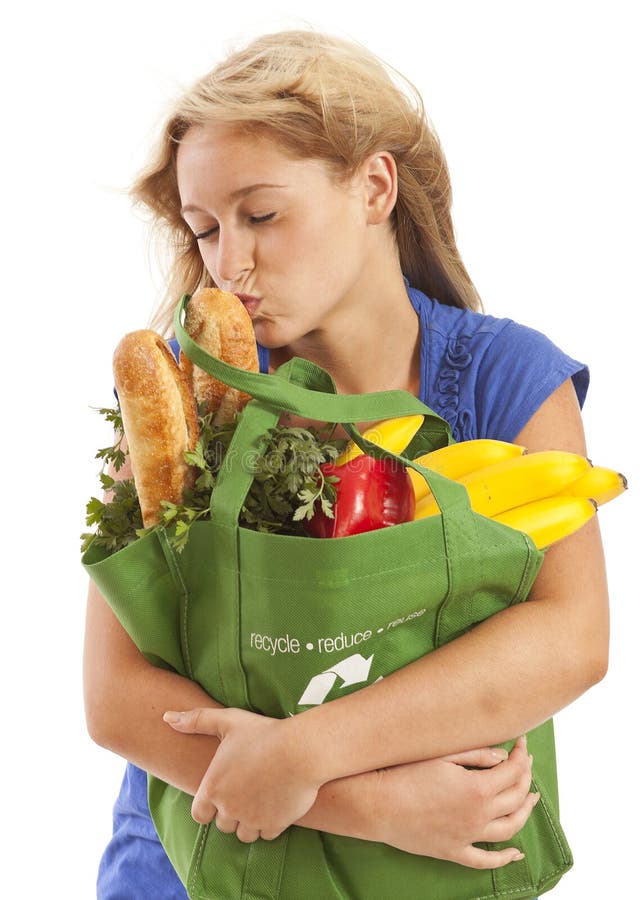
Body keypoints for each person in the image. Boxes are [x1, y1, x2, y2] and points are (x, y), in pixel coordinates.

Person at [83, 29, 609, 899]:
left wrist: (307, 753)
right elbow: (115, 697)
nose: (229, 263)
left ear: (372, 187)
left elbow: (569, 639)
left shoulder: (498, 379)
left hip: (427, 865)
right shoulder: (185, 391)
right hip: (193, 855)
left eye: (261, 214)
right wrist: (358, 801)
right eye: (205, 228)